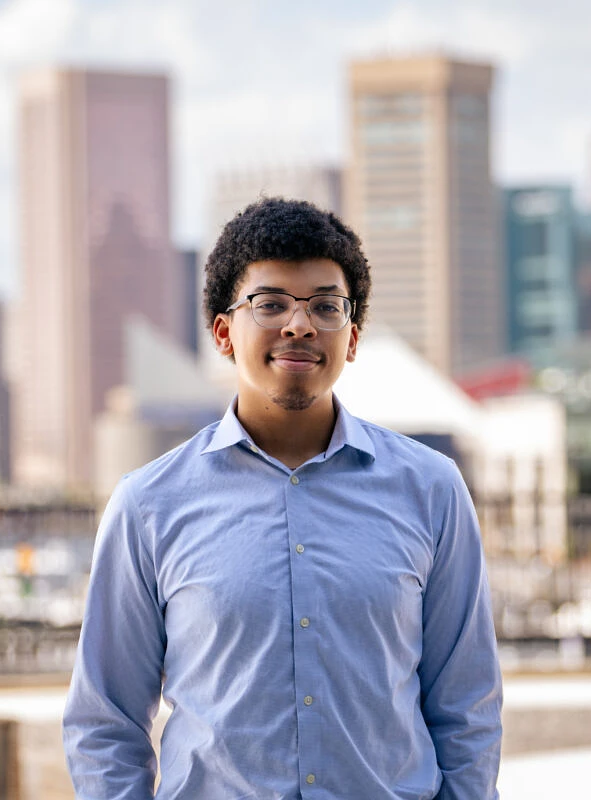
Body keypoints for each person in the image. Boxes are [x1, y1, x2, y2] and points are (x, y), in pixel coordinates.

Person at [63, 197, 502, 799]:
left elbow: (467, 704)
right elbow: (104, 720)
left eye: (326, 307)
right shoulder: (148, 505)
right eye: (270, 305)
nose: (299, 325)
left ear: (351, 338)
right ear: (223, 332)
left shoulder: (432, 490)